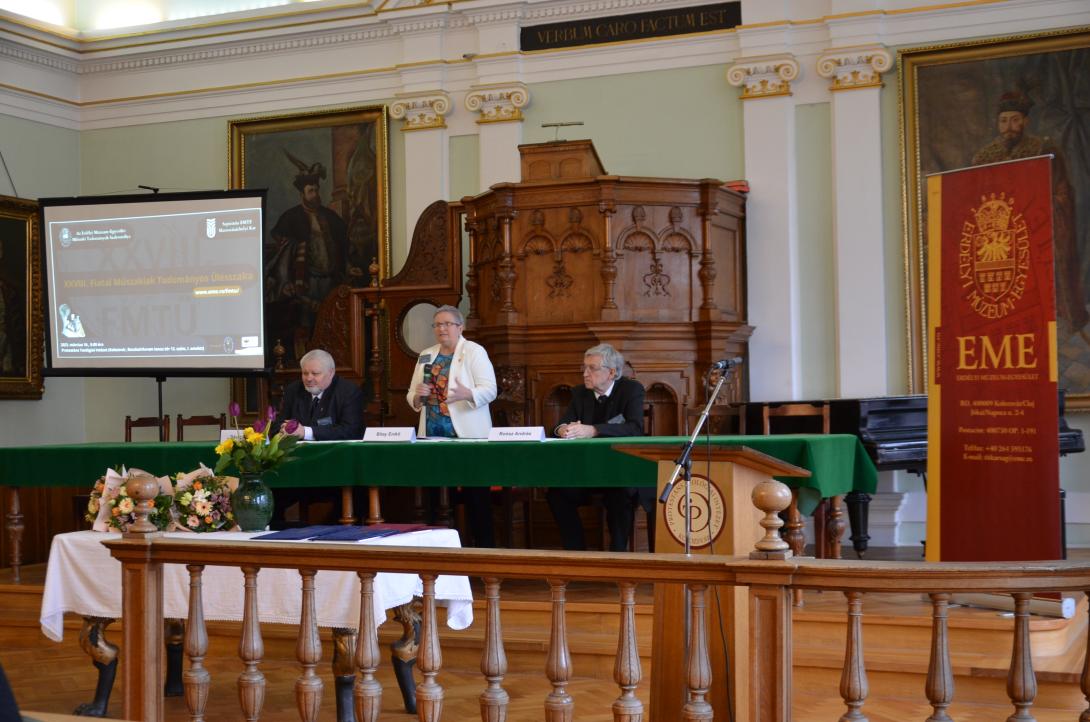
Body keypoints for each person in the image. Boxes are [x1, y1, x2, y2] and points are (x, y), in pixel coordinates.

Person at [971, 90, 1087, 334]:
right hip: (999, 232)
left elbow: (1061, 191)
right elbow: (973, 199)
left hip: (1037, 226)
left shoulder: (1042, 149)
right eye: (1003, 121)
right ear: (997, 123)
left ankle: (1053, 319)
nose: (1008, 127)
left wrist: (1044, 209)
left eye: (1014, 120)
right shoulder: (984, 157)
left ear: (1025, 121)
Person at [406, 305, 498, 547]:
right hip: (432, 436)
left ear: (460, 327)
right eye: (437, 324)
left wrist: (469, 393)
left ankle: (483, 551)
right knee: (434, 497)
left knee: (476, 497)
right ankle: (437, 548)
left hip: (468, 437)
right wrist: (417, 396)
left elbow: (491, 390)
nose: (442, 329)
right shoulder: (426, 354)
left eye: (447, 324)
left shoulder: (474, 351)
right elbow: (412, 393)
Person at [546, 343, 649, 552]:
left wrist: (593, 430)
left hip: (619, 469)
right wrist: (563, 430)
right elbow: (557, 427)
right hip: (586, 471)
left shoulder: (631, 390)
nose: (585, 374)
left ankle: (617, 556)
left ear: (611, 372)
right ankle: (577, 553)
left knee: (621, 494)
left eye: (592, 368)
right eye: (584, 367)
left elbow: (635, 428)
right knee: (557, 493)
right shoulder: (580, 393)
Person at [264, 152, 352, 362]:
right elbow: (282, 250)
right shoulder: (291, 218)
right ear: (302, 194)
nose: (315, 194)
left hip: (330, 280)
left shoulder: (330, 217)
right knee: (304, 324)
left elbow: (344, 242)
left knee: (331, 324)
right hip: (306, 281)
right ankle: (303, 364)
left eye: (316, 190)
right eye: (311, 191)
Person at [272, 348, 364, 441]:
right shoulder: (293, 390)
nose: (309, 378)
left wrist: (305, 432)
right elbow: (276, 428)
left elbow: (351, 431)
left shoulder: (348, 392)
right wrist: (285, 429)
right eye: (305, 373)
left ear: (331, 373)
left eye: (315, 373)